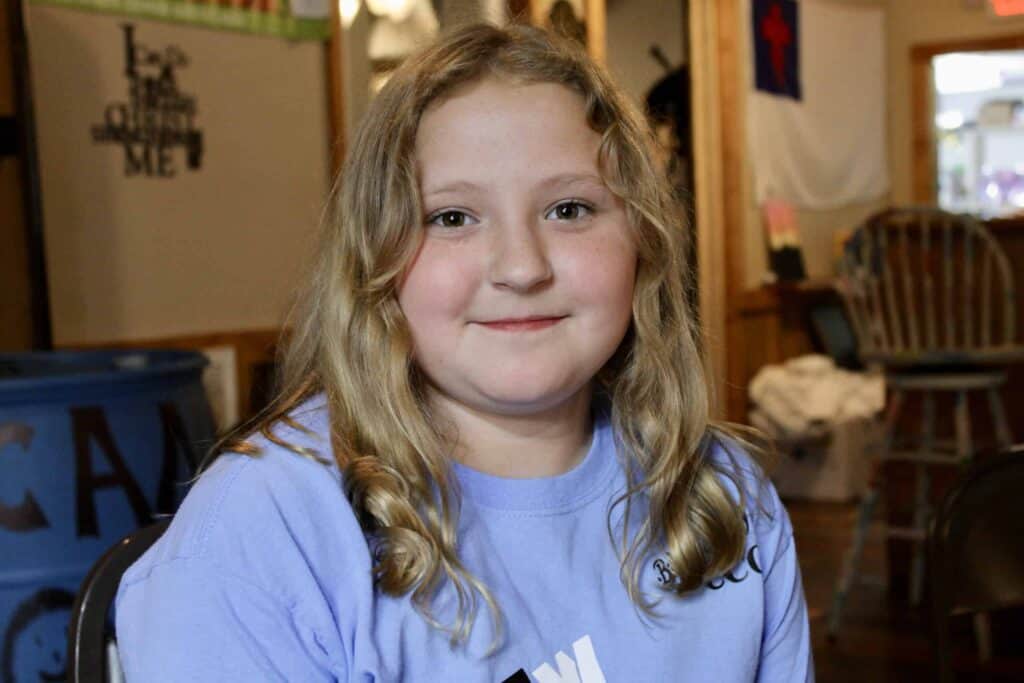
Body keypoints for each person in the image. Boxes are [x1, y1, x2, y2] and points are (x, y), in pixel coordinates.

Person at [115, 23, 813, 682]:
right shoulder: (268, 532)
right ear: (375, 261)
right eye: (452, 217)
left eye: (569, 208)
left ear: (643, 241)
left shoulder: (727, 497)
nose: (520, 267)